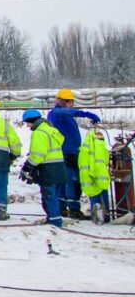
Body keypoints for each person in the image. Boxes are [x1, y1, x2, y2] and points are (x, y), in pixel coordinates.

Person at [47, 89, 101, 219]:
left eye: (72, 101)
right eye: (69, 101)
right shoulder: (57, 113)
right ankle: (73, 209)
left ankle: (62, 209)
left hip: (71, 152)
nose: (71, 104)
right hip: (66, 153)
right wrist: (87, 114)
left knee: (65, 181)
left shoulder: (64, 116)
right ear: (61, 101)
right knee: (72, 181)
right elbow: (67, 111)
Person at [21, 109, 66, 228]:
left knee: (49, 196)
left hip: (48, 169)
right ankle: (53, 218)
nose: (27, 125)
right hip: (60, 168)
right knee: (54, 196)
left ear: (31, 121)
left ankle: (54, 222)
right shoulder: (52, 130)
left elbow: (38, 155)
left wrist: (27, 166)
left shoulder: (39, 133)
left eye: (27, 123)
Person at [79, 122, 113, 224]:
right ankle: (105, 216)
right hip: (99, 175)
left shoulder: (86, 148)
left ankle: (97, 215)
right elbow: (105, 160)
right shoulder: (100, 147)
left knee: (94, 194)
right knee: (102, 194)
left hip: (90, 175)